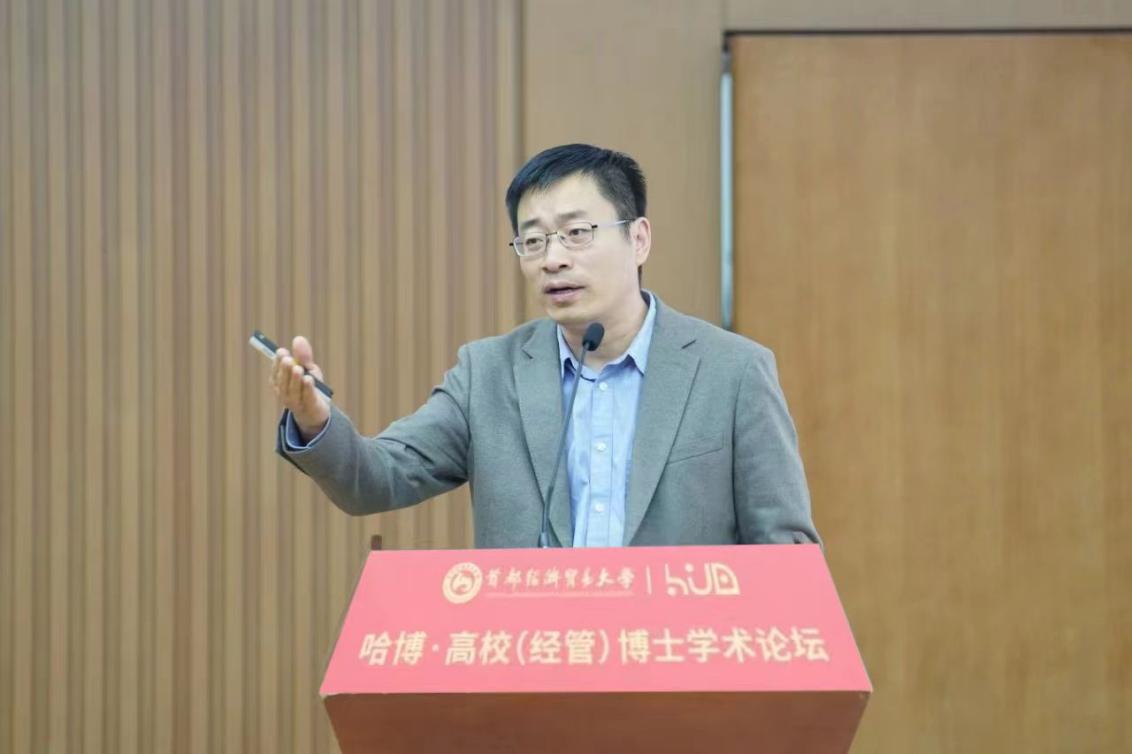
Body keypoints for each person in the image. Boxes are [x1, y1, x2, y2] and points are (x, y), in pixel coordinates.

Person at [270, 143, 820, 548]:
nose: (553, 259)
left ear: (638, 239)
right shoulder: (488, 374)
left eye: (577, 233)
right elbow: (376, 480)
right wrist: (316, 422)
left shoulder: (732, 372)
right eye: (532, 240)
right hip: (533, 660)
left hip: (680, 663)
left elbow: (786, 550)